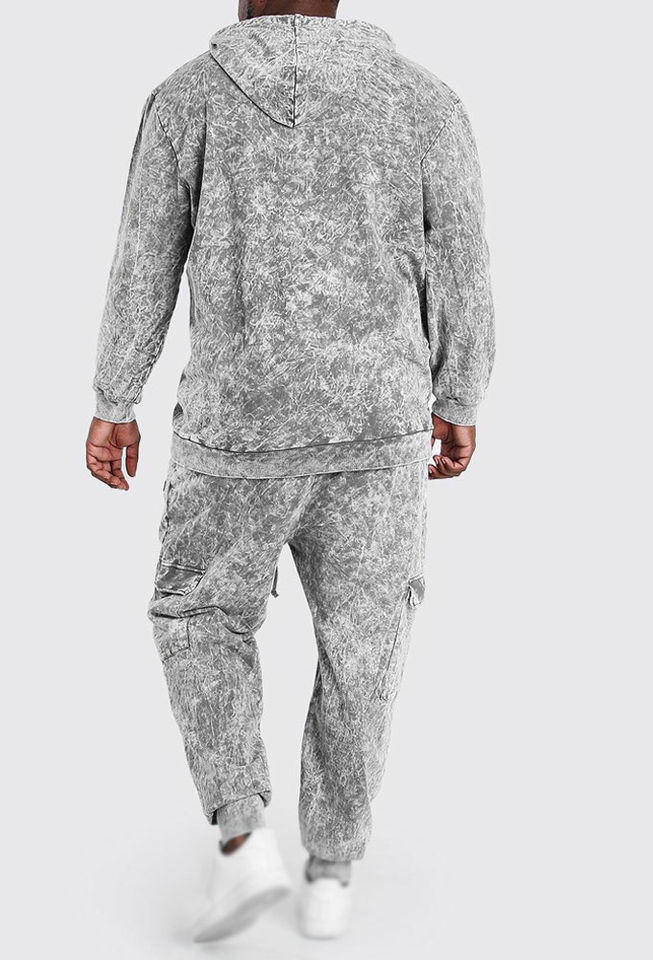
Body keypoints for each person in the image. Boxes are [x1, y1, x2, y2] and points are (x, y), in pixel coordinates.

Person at [85, 0, 494, 942]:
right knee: (366, 644)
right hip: (378, 422)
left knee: (199, 614)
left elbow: (144, 258)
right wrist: (461, 395)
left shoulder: (187, 99)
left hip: (239, 425)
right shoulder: (426, 103)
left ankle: (243, 837)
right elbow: (463, 262)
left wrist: (116, 396)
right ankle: (333, 873)